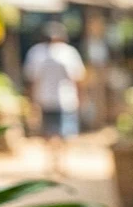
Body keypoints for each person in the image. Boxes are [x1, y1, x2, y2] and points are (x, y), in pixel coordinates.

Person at [23, 22, 86, 173]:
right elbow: (78, 78)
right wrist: (80, 96)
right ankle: (59, 162)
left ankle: (54, 162)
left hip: (48, 98)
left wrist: (32, 99)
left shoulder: (36, 53)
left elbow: (31, 80)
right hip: (63, 99)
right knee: (62, 132)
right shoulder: (68, 53)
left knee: (50, 132)